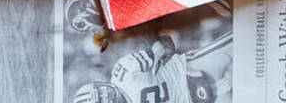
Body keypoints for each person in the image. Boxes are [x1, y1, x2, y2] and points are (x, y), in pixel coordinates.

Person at [72, 32, 232, 103]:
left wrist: (163, 50)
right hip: (196, 96)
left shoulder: (123, 73)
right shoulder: (123, 72)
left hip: (190, 70)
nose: (106, 96)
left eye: (101, 93)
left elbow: (162, 47)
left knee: (242, 38)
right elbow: (162, 47)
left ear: (101, 84)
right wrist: (163, 48)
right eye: (102, 100)